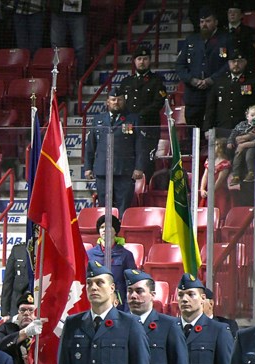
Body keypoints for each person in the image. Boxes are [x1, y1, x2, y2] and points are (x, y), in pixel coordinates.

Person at [84, 87, 148, 217]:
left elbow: (140, 146)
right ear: (108, 102)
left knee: (123, 207)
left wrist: (139, 167)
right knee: (104, 207)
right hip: (103, 171)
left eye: (119, 99)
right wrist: (88, 167)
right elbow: (90, 145)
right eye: (113, 100)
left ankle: (121, 234)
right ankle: (105, 235)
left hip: (124, 170)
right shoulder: (98, 120)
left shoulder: (133, 119)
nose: (116, 102)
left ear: (124, 101)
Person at [175, 6, 233, 130]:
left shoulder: (226, 39)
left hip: (215, 91)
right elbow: (180, 65)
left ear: (216, 22)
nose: (204, 25)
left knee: (213, 130)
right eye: (202, 22)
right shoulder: (192, 40)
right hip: (194, 94)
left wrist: (212, 79)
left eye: (208, 21)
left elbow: (230, 64)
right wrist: (191, 79)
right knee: (193, 131)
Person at [118, 45, 167, 177]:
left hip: (148, 125)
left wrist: (139, 116)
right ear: (134, 61)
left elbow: (159, 102)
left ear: (149, 60)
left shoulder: (157, 80)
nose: (142, 61)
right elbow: (120, 102)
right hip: (129, 125)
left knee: (147, 159)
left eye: (145, 58)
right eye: (139, 58)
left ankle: (146, 189)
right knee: (128, 155)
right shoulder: (126, 81)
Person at [204, 46, 255, 139]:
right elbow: (211, 107)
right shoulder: (220, 81)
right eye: (233, 61)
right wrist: (207, 128)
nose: (236, 64)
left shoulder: (254, 80)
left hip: (246, 130)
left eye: (239, 61)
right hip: (223, 127)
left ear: (245, 62)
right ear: (228, 63)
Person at [85, 214, 138, 310]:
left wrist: (127, 310)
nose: (104, 230)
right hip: (95, 304)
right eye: (102, 227)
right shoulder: (89, 255)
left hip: (118, 306)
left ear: (115, 231)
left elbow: (132, 283)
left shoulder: (126, 255)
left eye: (109, 227)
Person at [226, 105, 255, 186]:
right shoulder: (241, 124)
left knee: (249, 156)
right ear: (247, 116)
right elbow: (233, 133)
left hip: (251, 146)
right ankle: (235, 176)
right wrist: (230, 141)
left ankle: (251, 173)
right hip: (240, 146)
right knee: (237, 157)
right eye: (252, 115)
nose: (254, 118)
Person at [49, 0, 88, 75]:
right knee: (57, 48)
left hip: (78, 10)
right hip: (58, 10)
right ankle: (59, 78)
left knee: (80, 47)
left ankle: (79, 77)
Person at [224, 3, 255, 69]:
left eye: (235, 12)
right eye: (230, 12)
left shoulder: (249, 32)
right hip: (224, 66)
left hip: (243, 65)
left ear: (241, 15)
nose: (232, 14)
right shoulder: (221, 32)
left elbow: (250, 53)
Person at [200, 137, 231, 207]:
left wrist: (211, 191)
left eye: (217, 145)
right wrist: (202, 189)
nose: (214, 147)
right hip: (209, 192)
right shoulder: (210, 161)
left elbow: (220, 180)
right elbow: (205, 176)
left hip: (220, 192)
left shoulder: (225, 163)